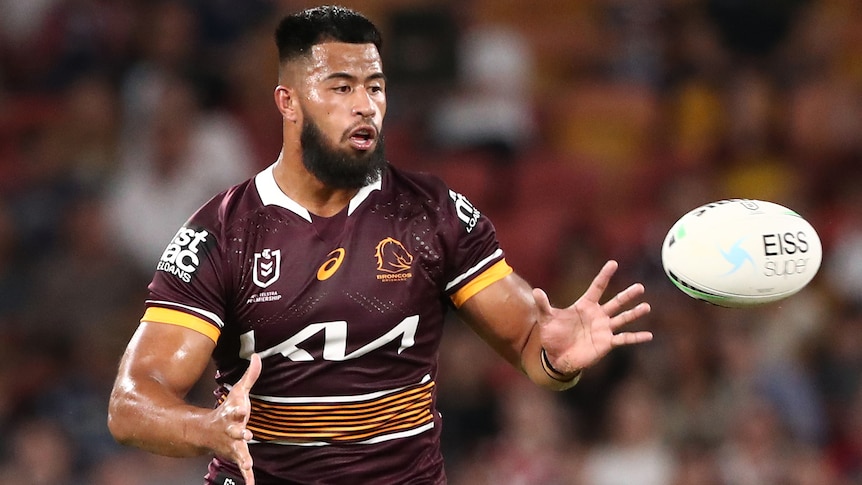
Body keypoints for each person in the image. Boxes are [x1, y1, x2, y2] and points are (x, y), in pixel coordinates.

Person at [107, 6, 653, 485]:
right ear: (288, 101)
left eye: (375, 86)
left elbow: (532, 348)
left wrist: (557, 359)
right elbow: (131, 404)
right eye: (342, 87)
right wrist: (205, 428)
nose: (365, 104)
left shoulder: (431, 215)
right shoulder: (223, 234)